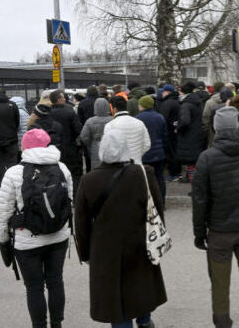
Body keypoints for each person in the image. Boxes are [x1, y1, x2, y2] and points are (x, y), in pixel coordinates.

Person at [75, 129, 166, 328]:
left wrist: (85, 252)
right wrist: (158, 235)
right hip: (140, 239)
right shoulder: (144, 173)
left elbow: (81, 222)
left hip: (105, 245)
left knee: (115, 297)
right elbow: (157, 208)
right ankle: (144, 321)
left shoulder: (89, 180)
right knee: (140, 283)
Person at [192, 106, 239, 328]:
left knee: (220, 283)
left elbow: (199, 200)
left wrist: (199, 233)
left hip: (219, 232)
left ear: (215, 128)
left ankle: (222, 323)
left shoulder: (207, 158)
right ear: (236, 126)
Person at [0, 129, 73, 328]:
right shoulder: (62, 168)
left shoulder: (13, 172)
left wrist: (3, 240)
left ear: (25, 147)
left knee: (34, 288)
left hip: (27, 240)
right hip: (58, 237)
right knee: (56, 282)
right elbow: (68, 202)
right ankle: (57, 324)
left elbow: (4, 211)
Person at [49, 90, 83, 197]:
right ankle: (74, 195)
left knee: (57, 173)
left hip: (53, 149)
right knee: (74, 173)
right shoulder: (69, 111)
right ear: (59, 99)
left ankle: (60, 196)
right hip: (70, 148)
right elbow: (78, 130)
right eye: (63, 97)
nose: (65, 99)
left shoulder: (47, 113)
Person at [136, 95, 168, 201]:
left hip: (144, 153)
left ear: (143, 105)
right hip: (159, 152)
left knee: (145, 179)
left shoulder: (138, 118)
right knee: (159, 177)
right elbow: (164, 136)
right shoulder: (160, 117)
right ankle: (161, 201)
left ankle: (148, 202)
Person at [105, 96, 151, 165]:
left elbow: (108, 149)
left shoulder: (109, 126)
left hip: (120, 167)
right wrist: (137, 155)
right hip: (137, 165)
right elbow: (147, 144)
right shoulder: (139, 123)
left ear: (115, 109)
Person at [176, 82, 206, 182]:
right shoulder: (197, 101)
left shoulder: (186, 104)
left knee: (190, 157)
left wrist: (178, 127)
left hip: (188, 134)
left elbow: (185, 121)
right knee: (193, 156)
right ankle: (191, 177)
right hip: (197, 132)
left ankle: (192, 179)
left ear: (183, 92)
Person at [79, 98, 113, 170]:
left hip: (95, 147)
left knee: (97, 169)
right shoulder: (113, 120)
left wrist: (91, 144)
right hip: (111, 147)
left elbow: (83, 136)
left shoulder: (90, 121)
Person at [158, 84, 181, 181]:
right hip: (176, 130)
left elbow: (163, 118)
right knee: (175, 151)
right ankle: (176, 172)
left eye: (163, 91)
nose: (162, 93)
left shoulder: (167, 103)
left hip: (169, 131)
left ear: (167, 92)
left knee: (171, 153)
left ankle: (174, 173)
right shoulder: (177, 101)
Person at [78, 85, 100, 172]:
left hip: (87, 130)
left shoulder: (82, 103)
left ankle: (89, 171)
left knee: (88, 155)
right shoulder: (101, 100)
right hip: (101, 129)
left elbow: (79, 119)